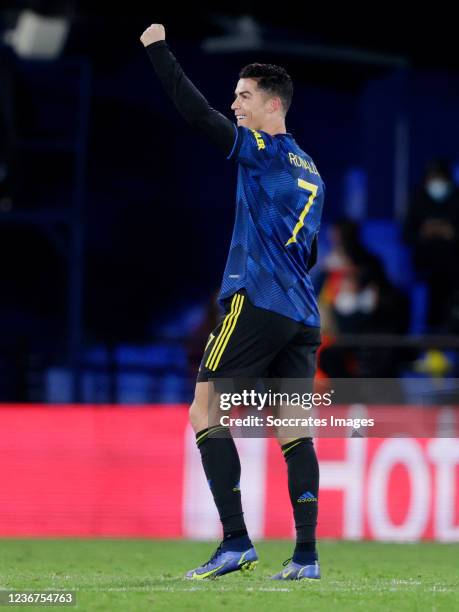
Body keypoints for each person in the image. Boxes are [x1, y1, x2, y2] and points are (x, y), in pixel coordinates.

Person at [140, 24, 325, 581]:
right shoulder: (311, 169)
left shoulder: (262, 152)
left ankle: (236, 541)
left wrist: (158, 50)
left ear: (272, 105)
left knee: (205, 412)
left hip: (258, 302)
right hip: (302, 314)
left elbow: (199, 117)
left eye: (244, 96)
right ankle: (307, 558)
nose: (234, 104)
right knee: (293, 428)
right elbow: (310, 250)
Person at [404, 159, 459, 330]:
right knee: (424, 314)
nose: (437, 183)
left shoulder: (457, 199)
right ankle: (425, 349)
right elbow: (406, 234)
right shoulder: (418, 199)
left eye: (440, 178)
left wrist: (450, 232)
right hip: (424, 271)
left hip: (454, 271)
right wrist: (424, 232)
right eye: (433, 177)